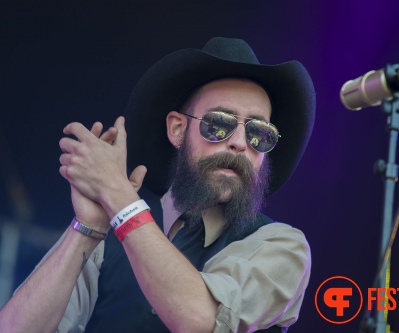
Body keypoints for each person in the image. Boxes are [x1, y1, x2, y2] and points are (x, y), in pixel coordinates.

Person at [0, 37, 316, 332]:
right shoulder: (106, 239)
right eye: (219, 123)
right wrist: (86, 228)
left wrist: (117, 195)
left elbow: (199, 320)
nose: (238, 143)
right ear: (177, 129)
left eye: (259, 134)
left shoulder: (281, 247)